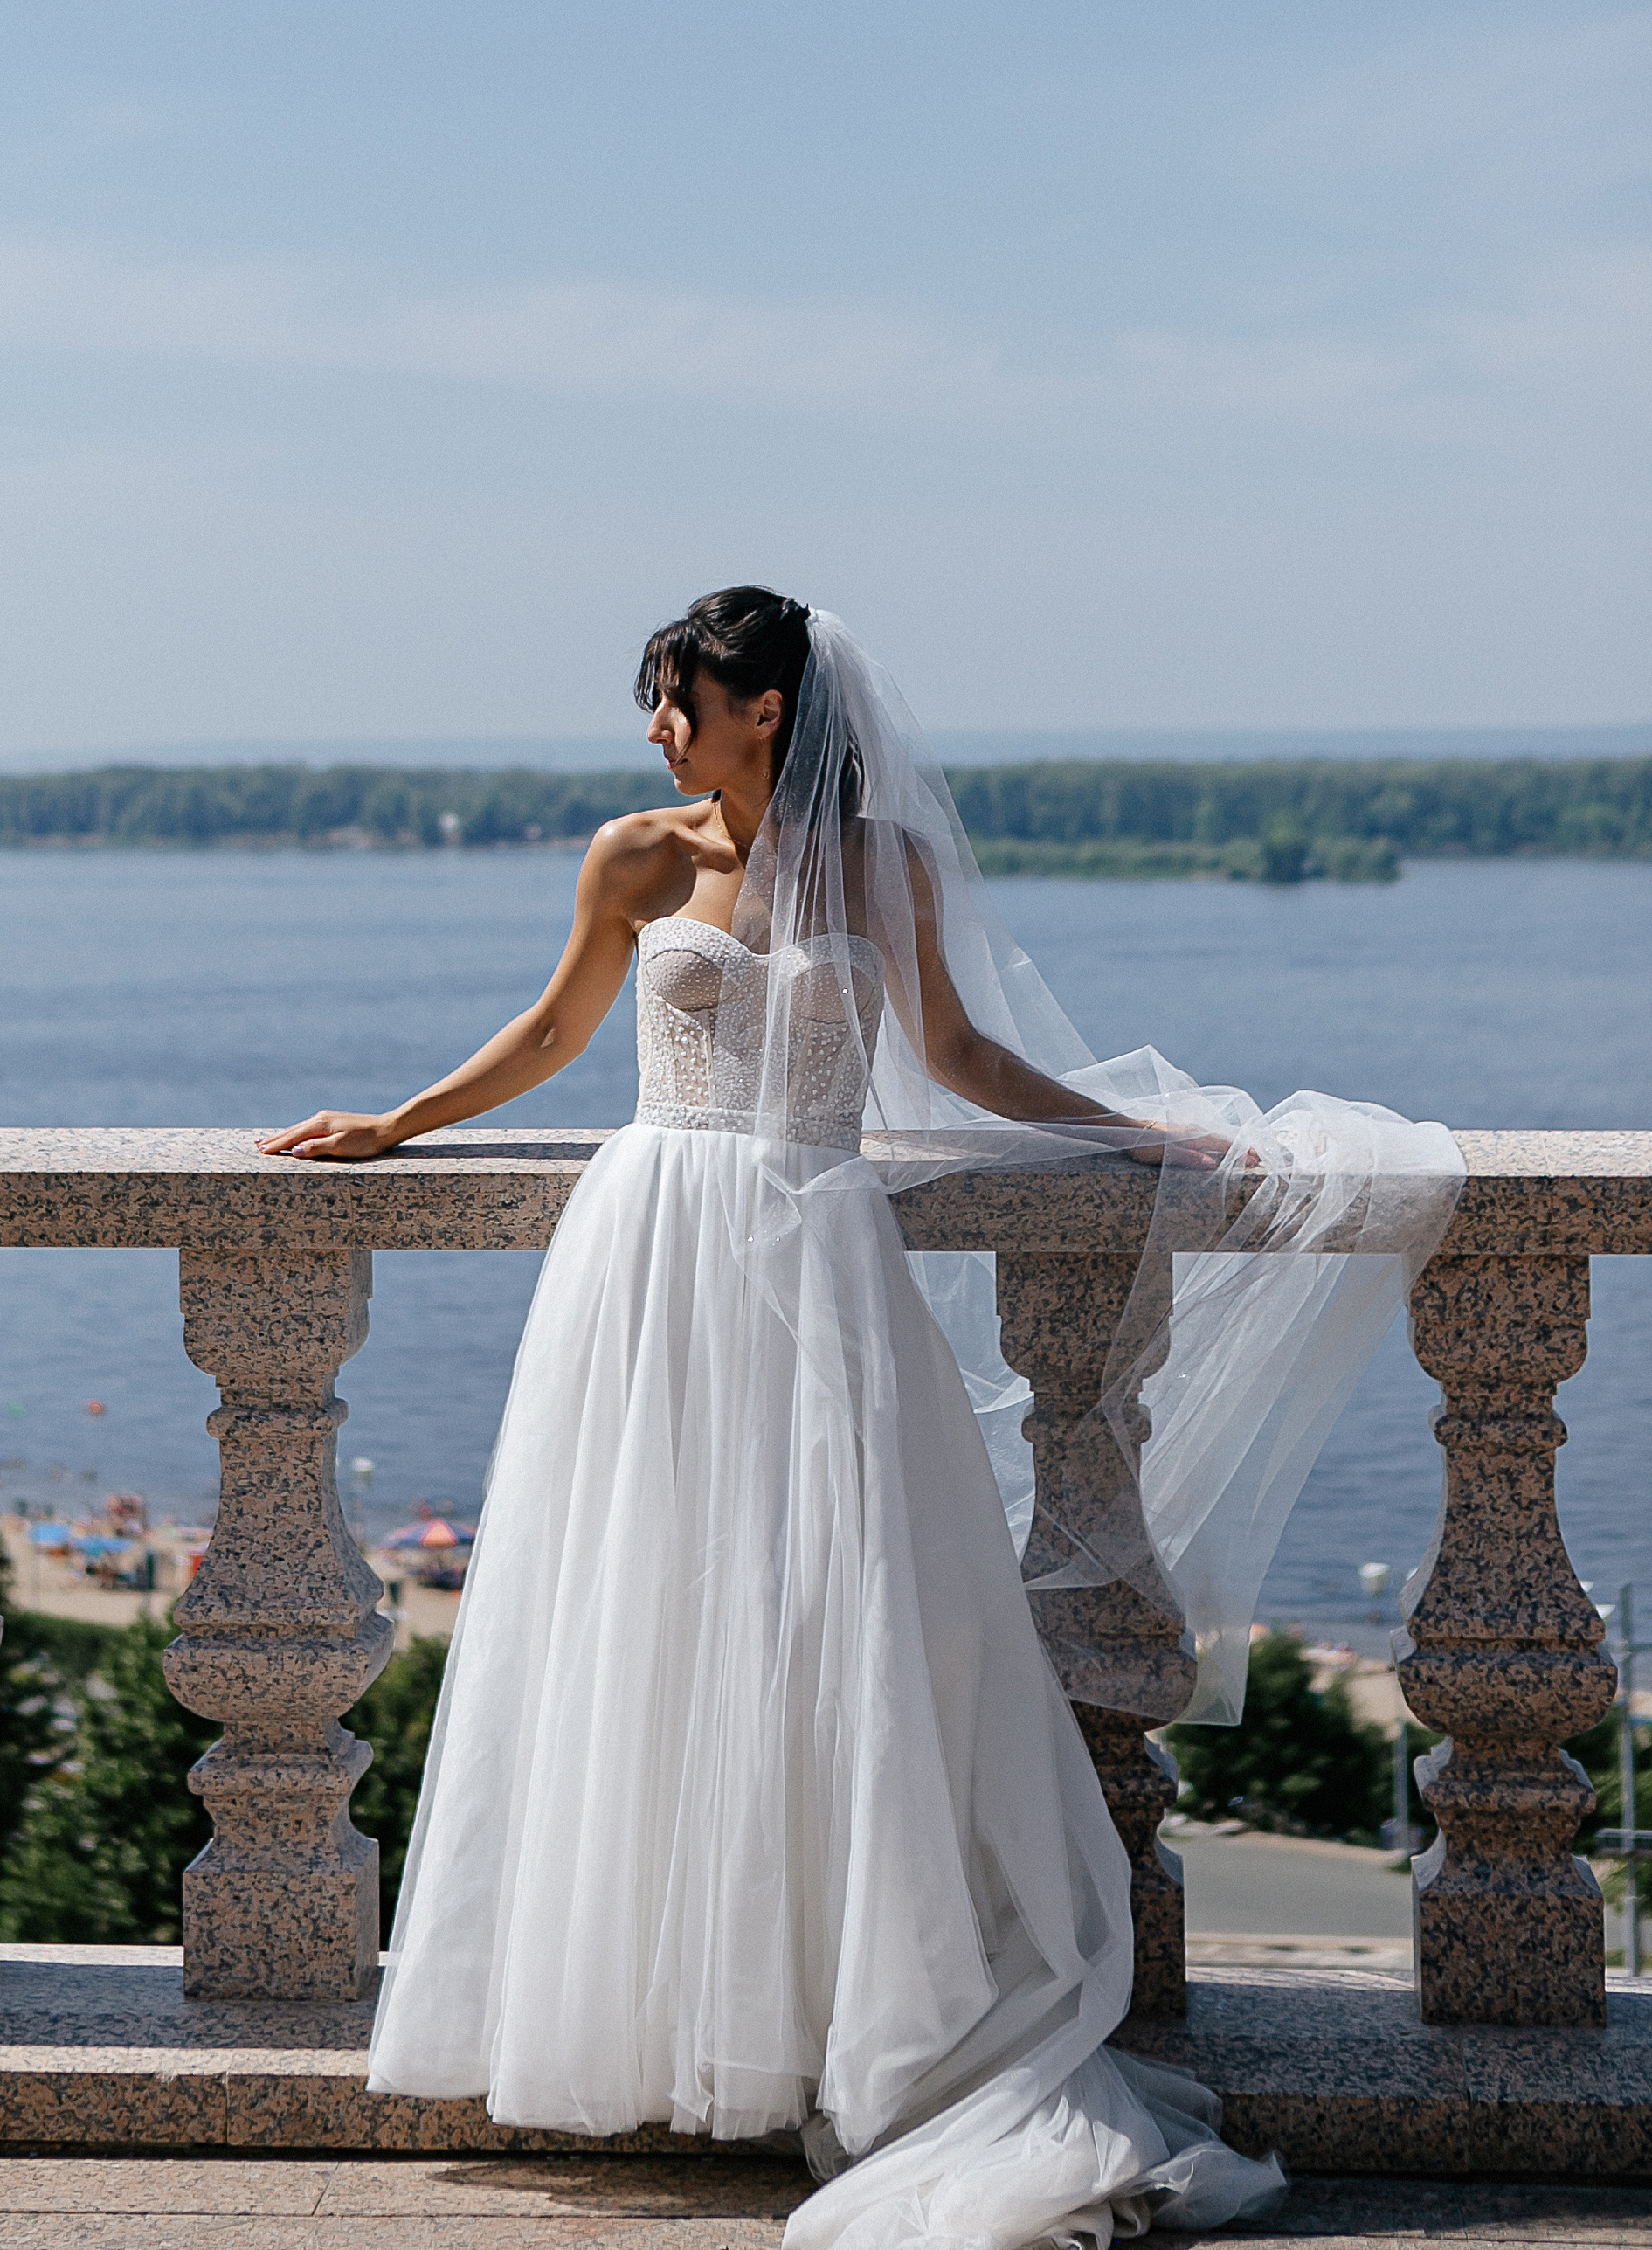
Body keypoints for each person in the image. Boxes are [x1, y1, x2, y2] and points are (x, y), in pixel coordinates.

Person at [259, 592, 1458, 2250]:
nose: (657, 730)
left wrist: (1137, 1138)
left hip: (820, 1258)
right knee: (649, 1601)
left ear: (766, 709)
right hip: (655, 1253)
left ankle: (832, 2009)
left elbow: (958, 1055)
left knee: (841, 1615)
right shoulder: (633, 857)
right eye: (654, 704)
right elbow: (553, 1030)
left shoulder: (883, 865)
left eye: (678, 701)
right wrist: (396, 1121)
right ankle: (653, 2019)